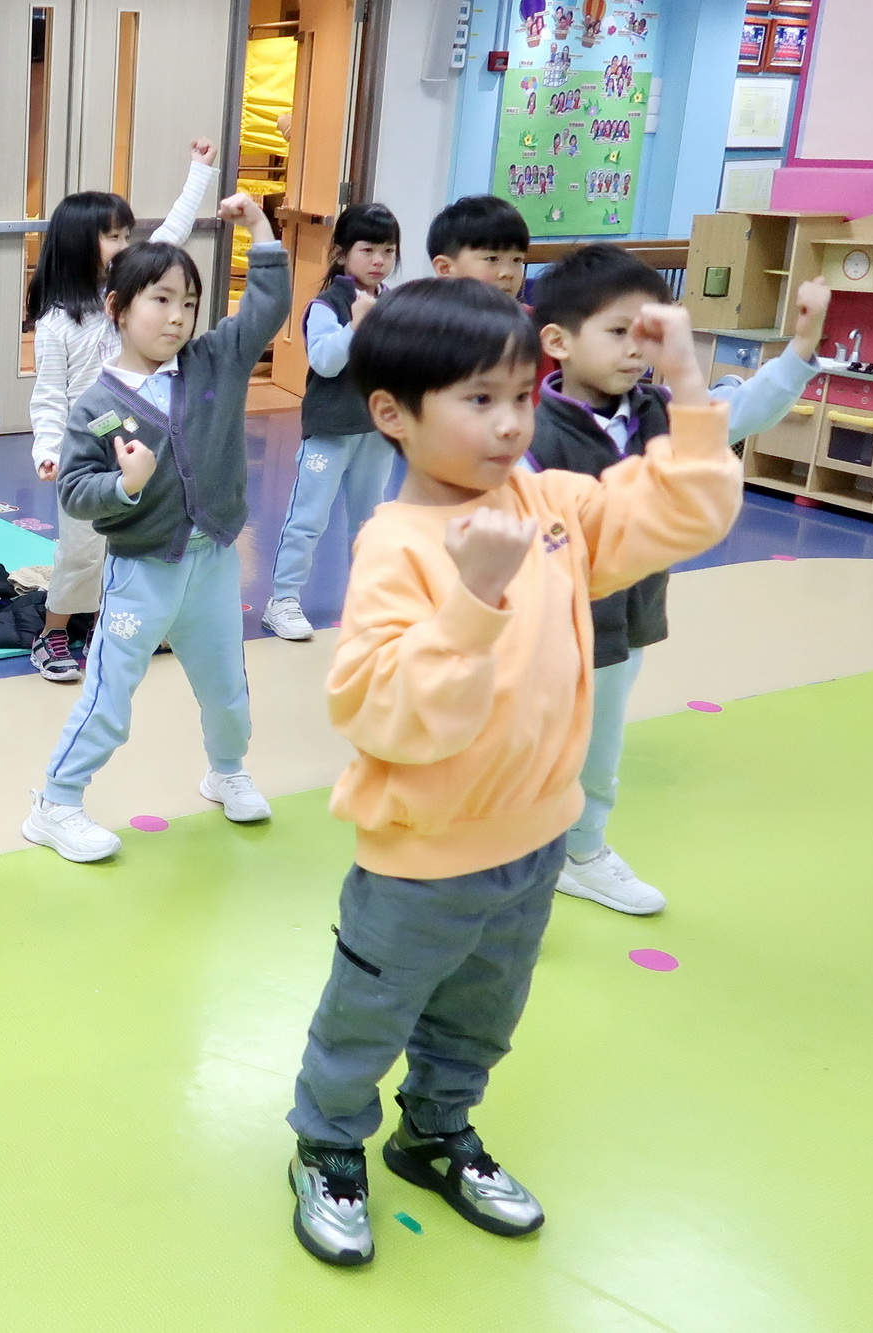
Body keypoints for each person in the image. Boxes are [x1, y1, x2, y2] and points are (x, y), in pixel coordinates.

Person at [285, 279, 741, 1267]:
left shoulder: (549, 503)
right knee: (368, 1015)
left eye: (521, 397)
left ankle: (433, 1129)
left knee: (481, 1016)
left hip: (535, 839)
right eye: (477, 399)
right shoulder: (395, 546)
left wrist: (687, 383)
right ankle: (326, 1144)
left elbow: (684, 514)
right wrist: (473, 599)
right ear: (393, 414)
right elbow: (384, 714)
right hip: (419, 861)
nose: (508, 424)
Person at [527, 244, 827, 914]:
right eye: (618, 331)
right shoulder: (529, 431)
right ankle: (513, 857)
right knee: (532, 750)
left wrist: (801, 347)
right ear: (559, 341)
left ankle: (582, 853)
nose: (636, 348)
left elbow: (739, 412)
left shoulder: (659, 409)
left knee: (599, 750)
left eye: (649, 332)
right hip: (545, 631)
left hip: (624, 626)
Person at [21, 193, 292, 863]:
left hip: (214, 559)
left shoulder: (214, 362)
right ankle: (55, 802)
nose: (177, 316)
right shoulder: (97, 404)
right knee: (110, 693)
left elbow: (267, 307)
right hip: (142, 568)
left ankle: (226, 771)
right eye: (161, 300)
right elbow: (76, 491)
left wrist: (260, 227)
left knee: (226, 687)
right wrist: (126, 486)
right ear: (118, 308)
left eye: (189, 303)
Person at [25, 139, 218, 683]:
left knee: (137, 543)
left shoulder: (128, 300)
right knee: (81, 550)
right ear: (78, 244)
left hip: (142, 441)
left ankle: (119, 627)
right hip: (87, 450)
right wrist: (47, 449)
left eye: (126, 235)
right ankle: (53, 631)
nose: (125, 245)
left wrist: (199, 173)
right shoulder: (57, 323)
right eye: (113, 236)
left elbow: (171, 236)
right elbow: (49, 395)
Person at [262, 202, 400, 641]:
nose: (379, 260)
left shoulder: (392, 302)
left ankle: (368, 600)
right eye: (368, 250)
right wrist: (356, 326)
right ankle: (283, 600)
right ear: (341, 253)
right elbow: (324, 362)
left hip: (375, 432)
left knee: (369, 519)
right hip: (329, 432)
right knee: (308, 518)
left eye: (388, 251)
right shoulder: (327, 305)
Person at [426, 195, 531, 299]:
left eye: (517, 260)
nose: (508, 273)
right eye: (492, 259)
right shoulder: (425, 309)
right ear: (445, 269)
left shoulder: (525, 310)